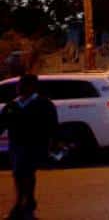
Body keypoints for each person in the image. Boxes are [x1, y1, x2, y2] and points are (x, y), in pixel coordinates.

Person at [0, 74, 58, 220]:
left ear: (32, 87)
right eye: (19, 85)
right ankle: (25, 204)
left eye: (23, 85)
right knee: (18, 174)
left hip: (35, 145)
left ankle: (23, 206)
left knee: (26, 173)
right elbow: (1, 124)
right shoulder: (12, 106)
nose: (19, 88)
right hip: (16, 146)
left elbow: (52, 126)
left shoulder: (44, 104)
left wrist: (52, 144)